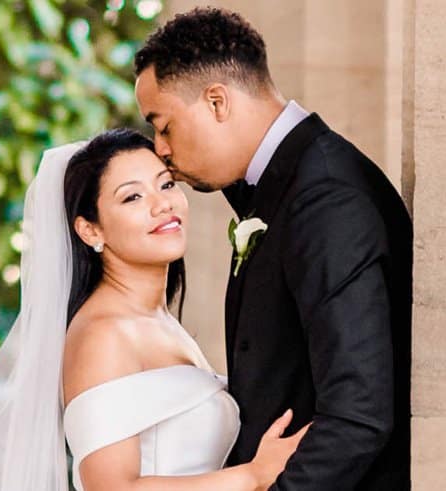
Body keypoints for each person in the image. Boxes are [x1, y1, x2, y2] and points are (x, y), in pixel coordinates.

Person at [134, 7, 412, 491]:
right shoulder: (287, 184)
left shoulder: (327, 199)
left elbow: (358, 416)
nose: (160, 148)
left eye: (164, 126)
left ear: (217, 102)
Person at [0, 128, 307, 491]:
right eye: (133, 197)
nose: (162, 205)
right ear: (91, 231)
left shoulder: (157, 321)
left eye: (167, 185)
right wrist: (252, 475)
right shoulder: (104, 334)